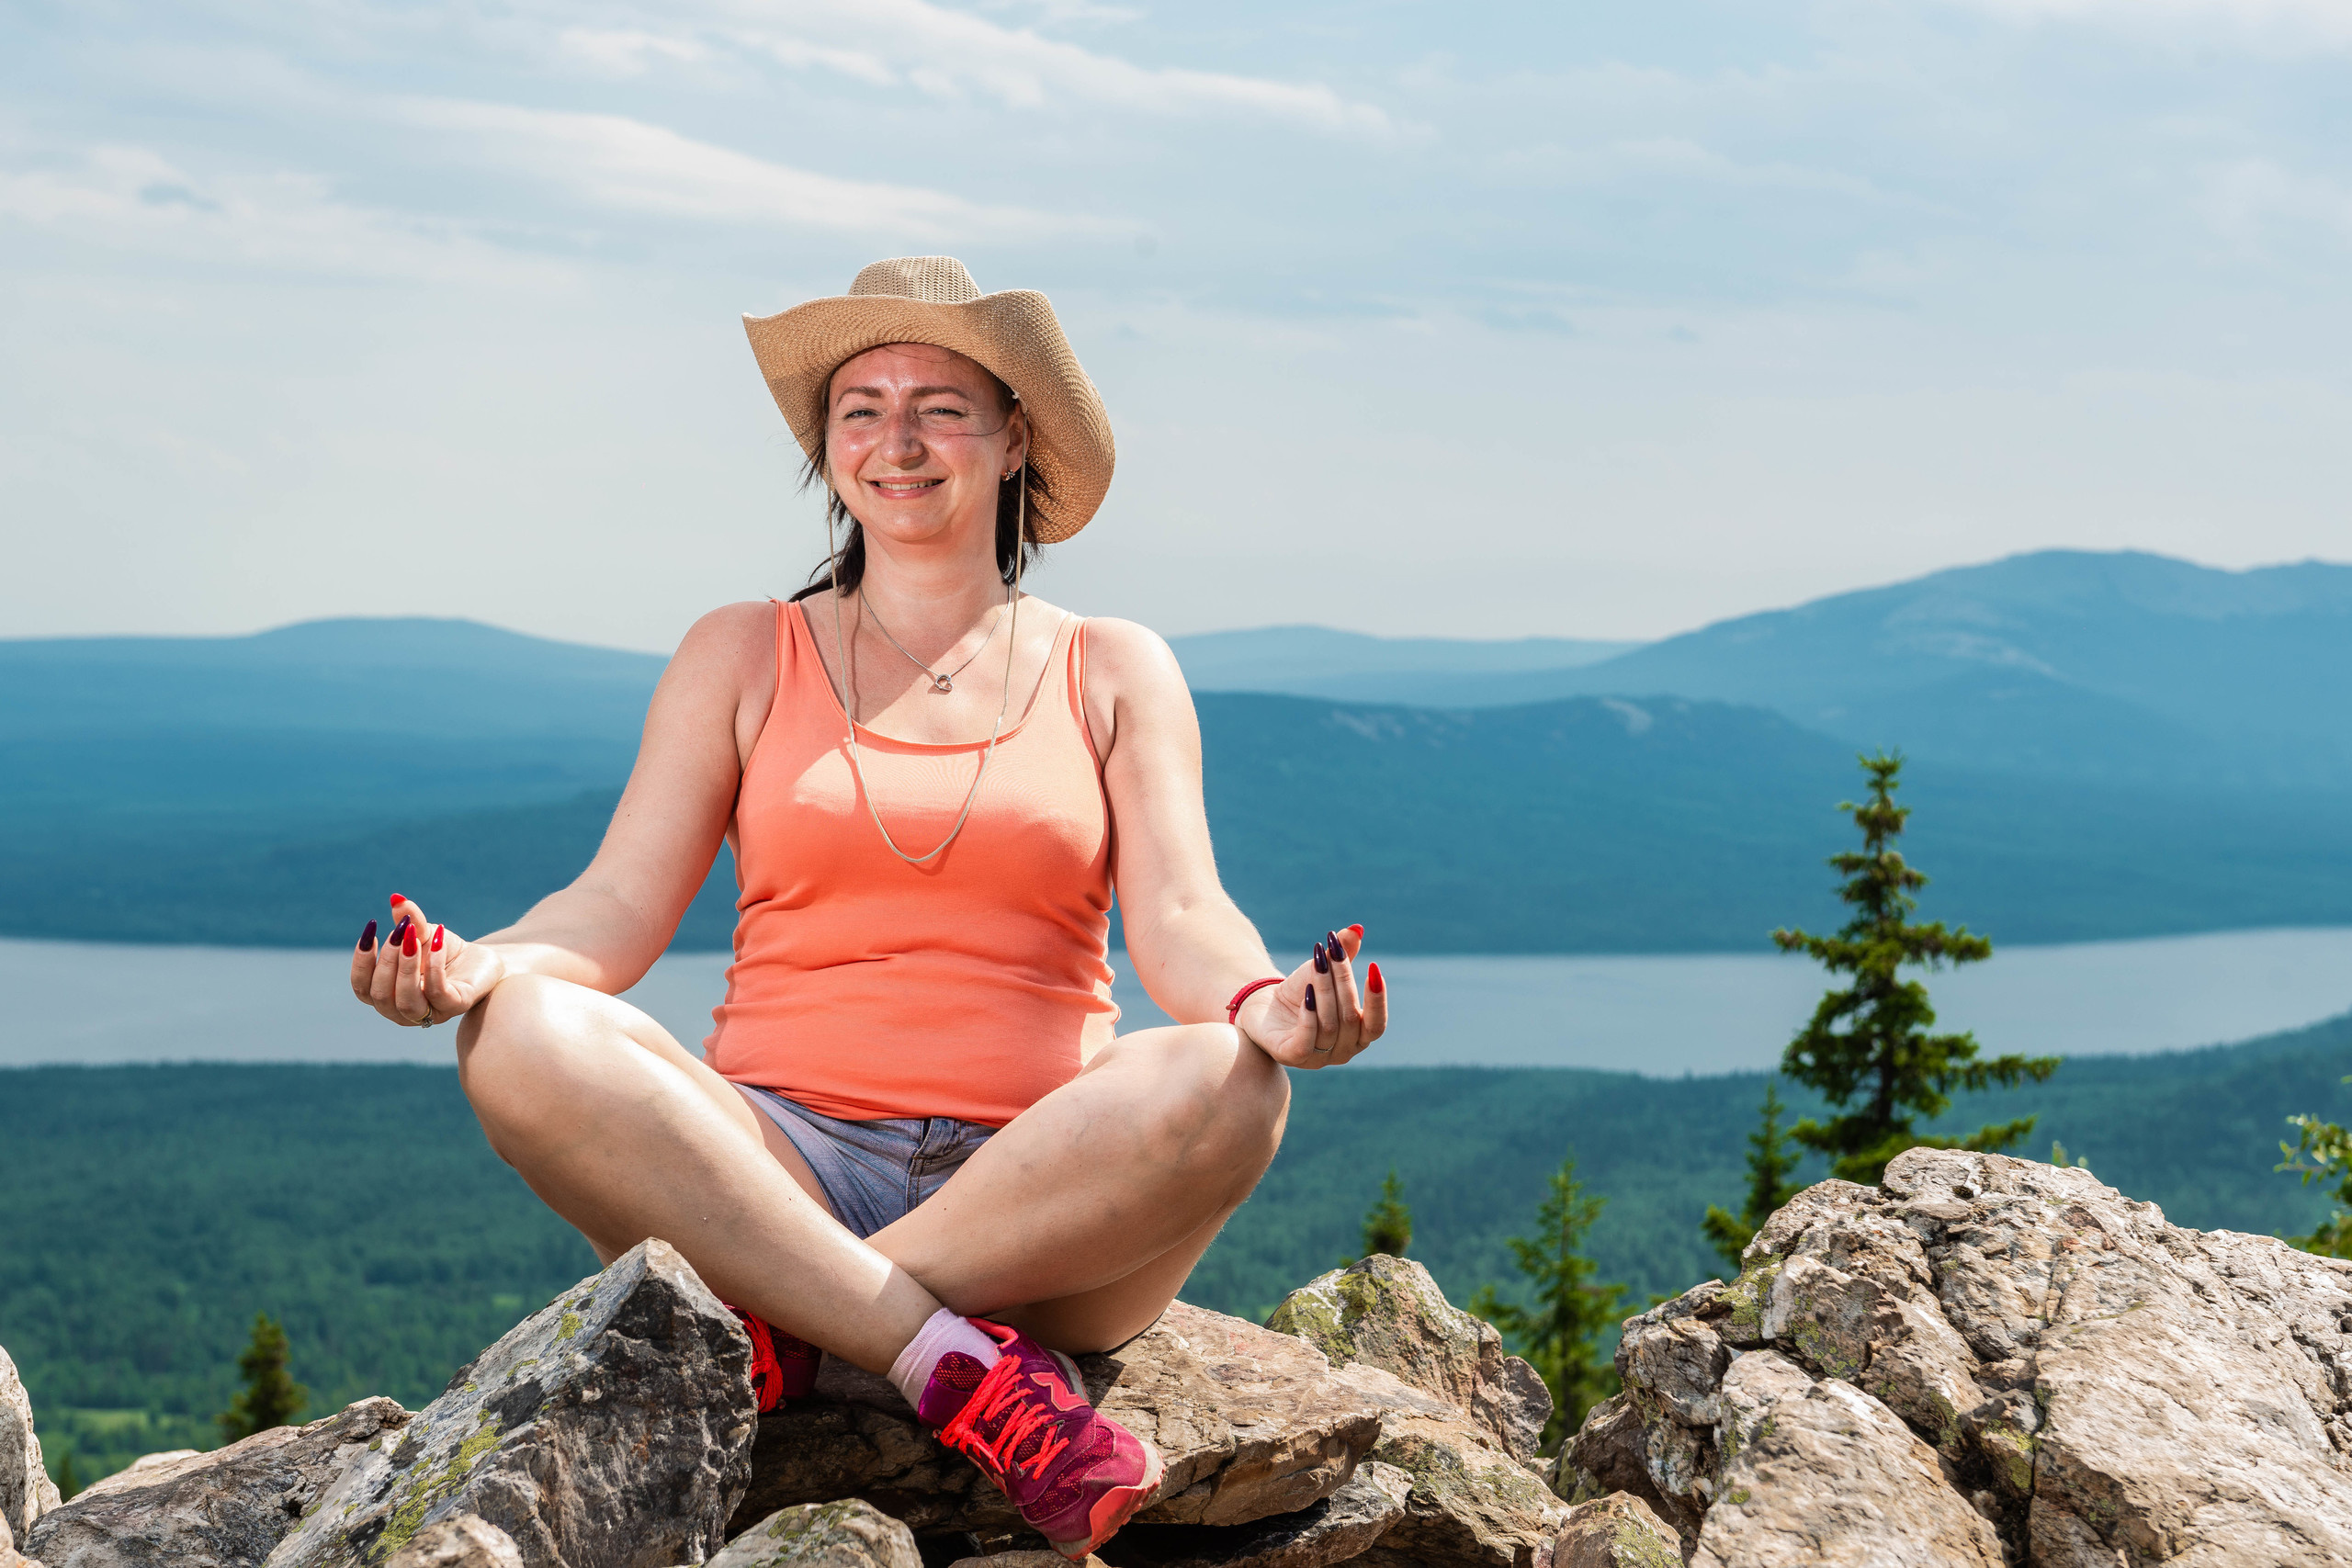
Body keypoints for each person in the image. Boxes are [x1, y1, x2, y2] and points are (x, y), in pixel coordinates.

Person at [344, 255, 1388, 1559]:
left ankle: (803, 1320)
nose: (898, 442)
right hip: (772, 1158)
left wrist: (1264, 1005)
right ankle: (953, 1364)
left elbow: (1181, 911)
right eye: (862, 409)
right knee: (519, 1034)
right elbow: (613, 905)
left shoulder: (1113, 666)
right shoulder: (743, 651)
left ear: (1016, 440)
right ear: (828, 449)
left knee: (1235, 1085)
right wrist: (474, 968)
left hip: (1044, 1187)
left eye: (941, 408)